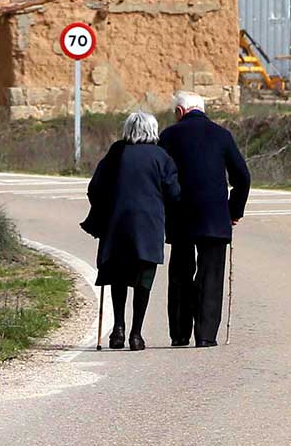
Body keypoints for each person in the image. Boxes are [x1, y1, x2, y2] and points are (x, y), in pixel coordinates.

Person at [81, 112, 180, 351]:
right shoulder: (161, 157)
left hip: (117, 224)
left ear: (128, 130)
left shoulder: (116, 153)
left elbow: (95, 188)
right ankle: (136, 334)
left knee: (117, 278)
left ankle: (118, 329)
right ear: (152, 131)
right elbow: (174, 193)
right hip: (148, 225)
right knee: (143, 279)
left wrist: (104, 208)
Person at [159, 91, 251, 348]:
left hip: (180, 215)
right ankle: (206, 335)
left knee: (180, 274)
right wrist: (233, 211)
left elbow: (160, 176)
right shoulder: (222, 135)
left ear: (180, 112)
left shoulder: (168, 136)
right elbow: (242, 177)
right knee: (211, 276)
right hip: (214, 218)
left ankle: (179, 334)